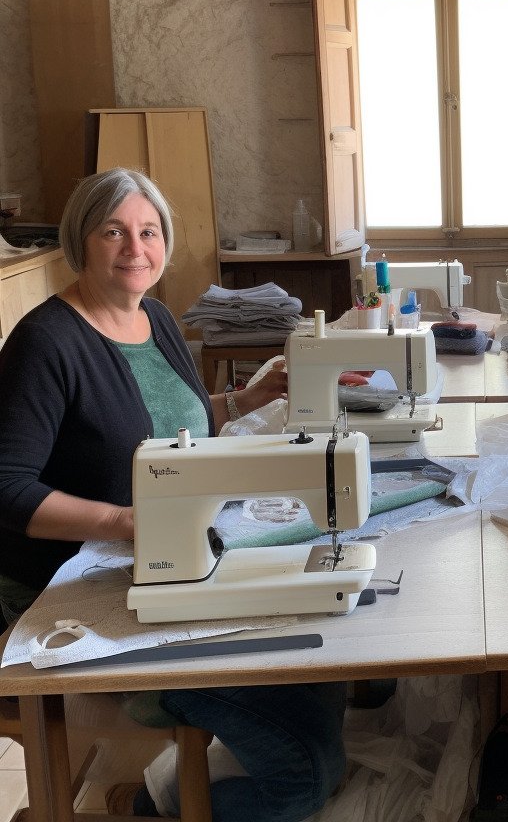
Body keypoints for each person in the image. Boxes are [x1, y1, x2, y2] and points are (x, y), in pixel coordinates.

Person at [0, 169, 345, 822]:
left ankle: (154, 798)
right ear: (81, 240)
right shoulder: (47, 342)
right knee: (300, 776)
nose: (136, 247)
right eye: (114, 231)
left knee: (329, 687)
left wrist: (237, 402)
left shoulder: (153, 318)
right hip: (81, 585)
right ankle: (156, 809)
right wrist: (125, 521)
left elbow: (161, 423)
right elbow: (7, 487)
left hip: (167, 561)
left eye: (149, 230)